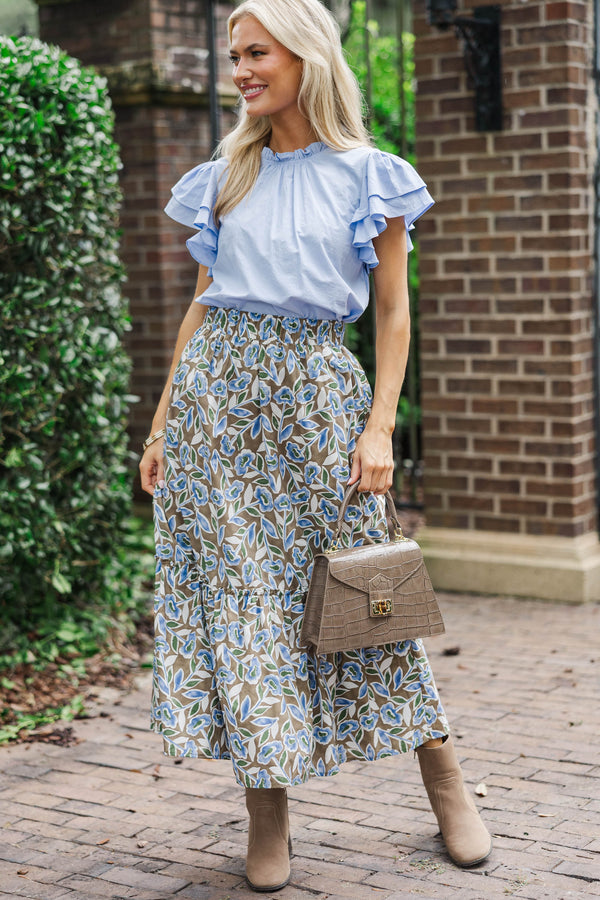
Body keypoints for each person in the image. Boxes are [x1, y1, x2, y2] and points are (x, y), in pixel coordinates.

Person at [139, 0, 492, 890]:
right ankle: (268, 810)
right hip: (217, 409)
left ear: (305, 54)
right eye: (233, 56)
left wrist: (379, 427)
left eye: (256, 53)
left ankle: (446, 782)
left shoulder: (368, 173)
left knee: (373, 595)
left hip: (316, 403)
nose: (241, 70)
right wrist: (161, 421)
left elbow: (395, 312)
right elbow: (203, 303)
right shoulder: (226, 171)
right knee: (245, 606)